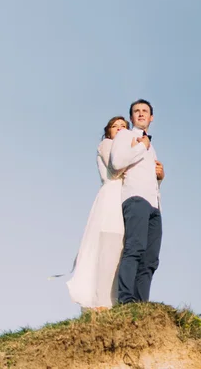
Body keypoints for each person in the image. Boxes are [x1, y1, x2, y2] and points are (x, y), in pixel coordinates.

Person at [66, 116, 129, 310]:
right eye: (114, 126)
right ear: (108, 131)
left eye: (123, 126)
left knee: (119, 250)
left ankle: (112, 301)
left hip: (122, 198)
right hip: (111, 199)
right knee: (107, 248)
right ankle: (102, 302)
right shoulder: (107, 144)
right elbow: (117, 169)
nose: (119, 129)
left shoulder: (123, 149)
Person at [110, 99, 164, 304]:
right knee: (135, 248)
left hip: (154, 205)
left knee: (150, 259)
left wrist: (161, 178)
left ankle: (141, 304)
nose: (141, 114)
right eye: (136, 111)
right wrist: (142, 147)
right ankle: (126, 300)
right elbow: (117, 163)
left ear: (151, 117)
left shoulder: (152, 147)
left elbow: (147, 177)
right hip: (135, 199)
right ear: (131, 117)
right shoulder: (125, 135)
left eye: (145, 111)